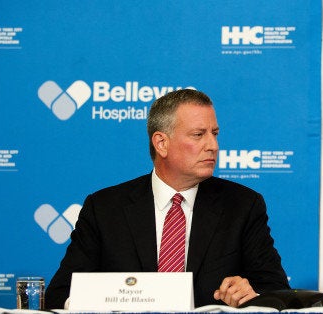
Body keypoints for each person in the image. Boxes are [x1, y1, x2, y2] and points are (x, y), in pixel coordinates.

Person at [45, 89, 290, 309]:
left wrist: (252, 294)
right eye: (198, 135)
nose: (213, 145)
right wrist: (97, 302)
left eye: (214, 133)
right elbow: (60, 294)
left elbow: (277, 291)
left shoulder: (242, 206)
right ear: (162, 143)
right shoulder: (105, 209)